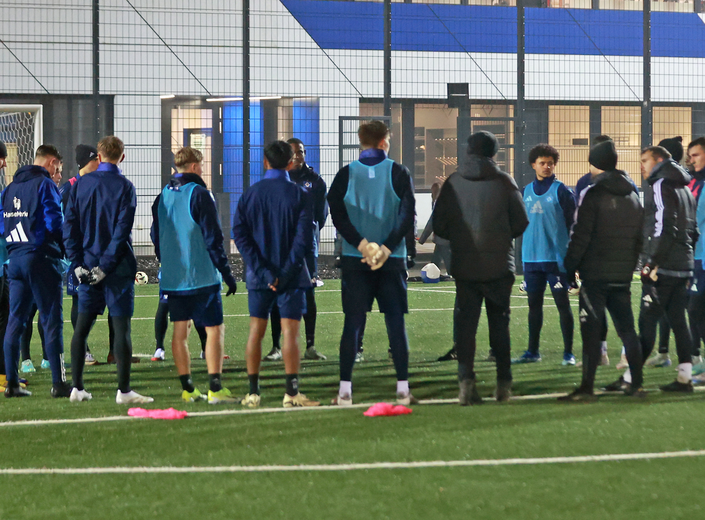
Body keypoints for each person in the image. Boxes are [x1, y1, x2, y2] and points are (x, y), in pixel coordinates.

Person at [433, 130, 529, 404]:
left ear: (467, 151)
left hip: (465, 266)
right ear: (493, 152)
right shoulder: (504, 181)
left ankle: (466, 384)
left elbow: (440, 225)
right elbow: (520, 223)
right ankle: (503, 384)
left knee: (466, 328)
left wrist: (462, 237)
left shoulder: (453, 182)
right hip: (499, 264)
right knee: (500, 325)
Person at [327, 121, 416, 406]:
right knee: (395, 323)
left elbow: (337, 214)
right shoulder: (399, 172)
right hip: (391, 261)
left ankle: (344, 391)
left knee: (352, 324)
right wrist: (387, 248)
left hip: (356, 259)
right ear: (384, 141)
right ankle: (402, 388)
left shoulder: (345, 174)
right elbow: (407, 214)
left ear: (360, 141)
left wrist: (362, 244)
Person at [64, 135, 152, 404]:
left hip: (87, 266)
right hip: (116, 269)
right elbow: (121, 232)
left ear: (99, 157)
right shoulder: (126, 187)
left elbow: (70, 227)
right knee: (121, 327)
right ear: (121, 157)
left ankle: (77, 388)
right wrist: (105, 267)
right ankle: (123, 391)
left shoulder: (80, 185)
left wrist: (77, 263)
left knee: (81, 329)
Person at [233, 140, 319, 408]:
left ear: (265, 162)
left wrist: (263, 271)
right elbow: (304, 239)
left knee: (256, 331)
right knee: (291, 333)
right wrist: (285, 272)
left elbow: (240, 234)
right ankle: (291, 393)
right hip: (291, 277)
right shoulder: (300, 195)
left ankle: (253, 392)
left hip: (260, 277)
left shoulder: (251, 193)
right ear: (291, 163)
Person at [607, 145, 698, 393]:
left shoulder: (660, 185)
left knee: (647, 323)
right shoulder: (685, 189)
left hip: (663, 267)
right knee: (679, 321)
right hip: (683, 265)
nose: (642, 165)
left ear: (659, 160)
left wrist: (652, 263)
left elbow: (664, 227)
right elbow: (693, 230)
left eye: (645, 160)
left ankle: (630, 378)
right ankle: (684, 378)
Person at [558, 140, 644, 400]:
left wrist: (570, 267)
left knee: (591, 330)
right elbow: (639, 237)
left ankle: (587, 387)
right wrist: (629, 266)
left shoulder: (592, 193)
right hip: (622, 274)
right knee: (627, 329)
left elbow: (581, 235)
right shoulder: (632, 193)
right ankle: (636, 384)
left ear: (593, 162)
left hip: (595, 274)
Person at [151, 146, 238, 403]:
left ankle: (188, 389)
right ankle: (215, 387)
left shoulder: (162, 196)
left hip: (174, 277)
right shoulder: (200, 194)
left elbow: (156, 236)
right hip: (201, 276)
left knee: (180, 331)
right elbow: (214, 238)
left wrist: (165, 260)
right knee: (214, 329)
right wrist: (226, 272)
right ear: (194, 166)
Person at [1, 144, 70, 398]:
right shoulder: (45, 185)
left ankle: (12, 384)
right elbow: (55, 222)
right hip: (40, 259)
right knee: (52, 320)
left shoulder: (9, 189)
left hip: (15, 260)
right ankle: (59, 384)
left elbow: (1, 224)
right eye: (59, 169)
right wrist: (65, 249)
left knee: (15, 320)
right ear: (51, 163)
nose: (59, 175)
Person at [264, 138, 328, 362]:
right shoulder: (279, 179)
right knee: (276, 292)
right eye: (294, 152)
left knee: (308, 294)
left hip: (306, 248)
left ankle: (310, 345)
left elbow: (321, 215)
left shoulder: (315, 181)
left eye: (301, 151)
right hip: (280, 247)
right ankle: (276, 346)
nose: (298, 156)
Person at [513, 144, 576, 366]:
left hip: (556, 260)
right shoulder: (524, 192)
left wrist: (572, 261)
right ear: (534, 165)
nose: (547, 166)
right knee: (534, 307)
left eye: (550, 163)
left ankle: (568, 353)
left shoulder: (563, 191)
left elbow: (573, 226)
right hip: (531, 260)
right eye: (542, 163)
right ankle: (532, 351)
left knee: (563, 306)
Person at [575, 135, 617, 367]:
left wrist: (576, 260)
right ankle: (607, 353)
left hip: (597, 258)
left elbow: (578, 225)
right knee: (615, 311)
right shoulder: (625, 182)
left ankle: (600, 356)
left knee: (595, 308)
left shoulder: (587, 185)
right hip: (612, 257)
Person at [60, 145, 101, 367]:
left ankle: (113, 351)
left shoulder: (96, 183)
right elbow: (65, 223)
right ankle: (82, 351)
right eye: (97, 159)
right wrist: (71, 253)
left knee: (93, 303)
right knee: (79, 299)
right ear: (91, 160)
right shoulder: (70, 188)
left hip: (95, 253)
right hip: (77, 255)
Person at [686, 137, 705, 383]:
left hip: (701, 257)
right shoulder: (691, 183)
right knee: (694, 310)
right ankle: (696, 359)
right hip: (694, 258)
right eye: (690, 156)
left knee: (696, 309)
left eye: (696, 155)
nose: (691, 160)